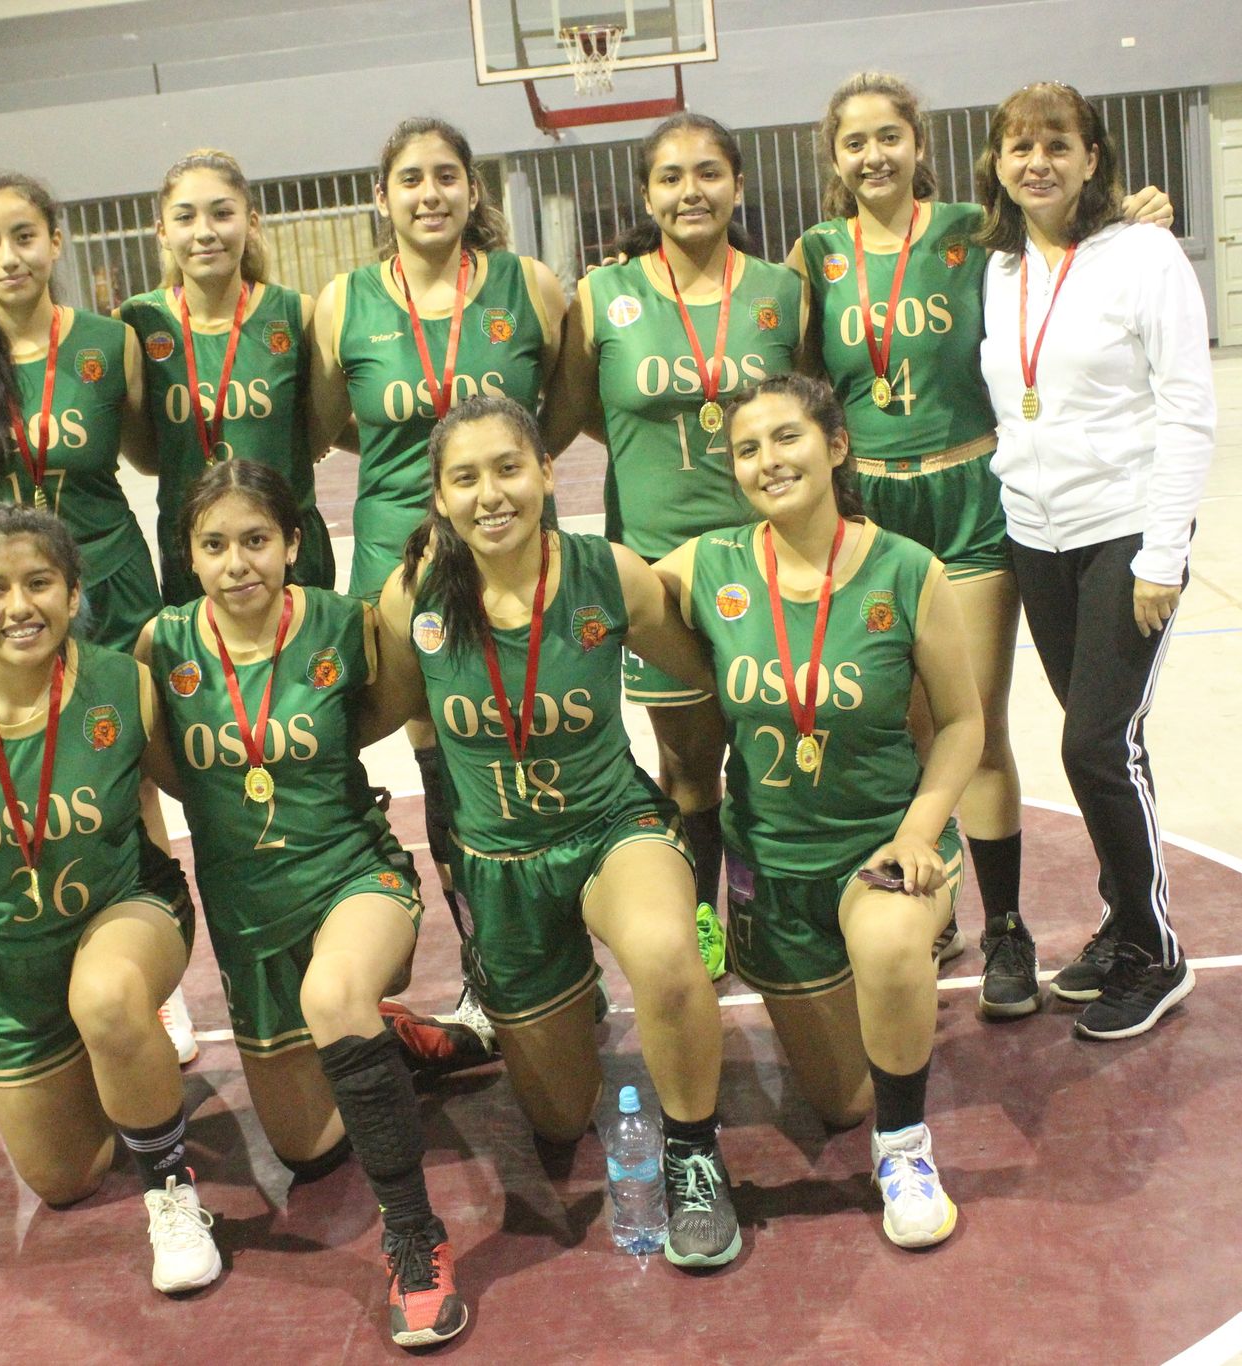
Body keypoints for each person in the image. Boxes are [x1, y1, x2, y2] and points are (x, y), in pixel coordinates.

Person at [793, 73, 1178, 1014]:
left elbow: (1067, 233)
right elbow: (797, 379)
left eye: (890, 136)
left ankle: (1007, 928)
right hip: (871, 506)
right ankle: (928, 904)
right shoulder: (815, 255)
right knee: (899, 728)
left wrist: (1132, 215)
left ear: (920, 144)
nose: (874, 155)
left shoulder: (977, 234)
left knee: (976, 723)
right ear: (834, 157)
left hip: (969, 495)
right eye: (855, 142)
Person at [370, 395, 743, 1269]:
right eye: (465, 478)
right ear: (439, 496)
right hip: (501, 863)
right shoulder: (415, 595)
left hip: (611, 826)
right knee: (560, 1118)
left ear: (546, 472)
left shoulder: (609, 574)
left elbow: (706, 672)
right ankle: (567, 997)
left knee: (666, 952)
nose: (490, 494)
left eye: (508, 468)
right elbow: (376, 711)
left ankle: (693, 1156)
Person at [138, 458, 469, 1348]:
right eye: (214, 545)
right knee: (307, 1151)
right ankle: (389, 1037)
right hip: (249, 916)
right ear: (189, 555)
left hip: (352, 875)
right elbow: (163, 770)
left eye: (256, 540)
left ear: (292, 543)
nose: (236, 562)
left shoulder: (341, 626)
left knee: (333, 991)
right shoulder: (161, 648)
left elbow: (389, 711)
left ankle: (416, 1239)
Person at [655, 375, 981, 1247]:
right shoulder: (707, 565)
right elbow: (604, 591)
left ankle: (905, 1150)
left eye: (787, 437)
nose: (767, 461)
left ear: (836, 446)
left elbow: (962, 723)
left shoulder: (908, 571)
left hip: (880, 842)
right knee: (841, 1100)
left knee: (891, 944)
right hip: (771, 864)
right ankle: (877, 1052)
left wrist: (918, 830)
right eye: (746, 449)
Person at [0, 506, 221, 1295]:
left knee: (107, 997)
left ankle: (171, 1193)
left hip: (126, 910)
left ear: (72, 593)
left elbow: (200, 788)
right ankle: (115, 1070)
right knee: (65, 1180)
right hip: (2, 964)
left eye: (39, 583)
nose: (19, 606)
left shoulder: (123, 684)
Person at [0, 171, 198, 1060]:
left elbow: (143, 454)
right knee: (10, 781)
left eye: (24, 236)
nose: (9, 257)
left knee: (135, 777)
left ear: (56, 240)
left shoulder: (110, 343)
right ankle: (25, 984)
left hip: (107, 584)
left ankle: (154, 982)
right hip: (8, 601)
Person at [309, 117, 567, 1044]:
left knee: (529, 743)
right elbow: (327, 425)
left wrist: (499, 486)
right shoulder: (342, 302)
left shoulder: (528, 287)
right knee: (445, 767)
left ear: (472, 188)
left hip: (512, 547)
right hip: (401, 560)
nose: (430, 193)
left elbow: (560, 410)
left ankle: (555, 957)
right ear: (382, 196)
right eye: (411, 178)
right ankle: (484, 971)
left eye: (447, 175)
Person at [544, 112, 807, 982]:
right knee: (691, 765)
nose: (690, 191)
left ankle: (778, 908)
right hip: (655, 577)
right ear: (647, 193)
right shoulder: (603, 296)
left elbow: (815, 415)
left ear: (737, 183)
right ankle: (706, 914)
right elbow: (568, 416)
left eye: (708, 173)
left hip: (770, 563)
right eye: (670, 176)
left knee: (779, 746)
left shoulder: (781, 291)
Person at [975, 82, 1212, 1039]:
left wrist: (1164, 552)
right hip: (1038, 538)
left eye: (1057, 145)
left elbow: (1188, 407)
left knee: (1095, 745)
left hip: (1126, 532)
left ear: (1091, 157)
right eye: (1020, 146)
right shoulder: (998, 267)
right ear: (998, 162)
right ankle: (1121, 925)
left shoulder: (1144, 255)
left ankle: (1157, 952)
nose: (1037, 162)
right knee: (1102, 739)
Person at [121, 149, 336, 603]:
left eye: (222, 213)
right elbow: (147, 455)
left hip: (288, 546)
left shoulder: (295, 313)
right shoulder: (138, 323)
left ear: (251, 222)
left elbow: (315, 432)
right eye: (185, 217)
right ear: (162, 232)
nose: (205, 232)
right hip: (196, 549)